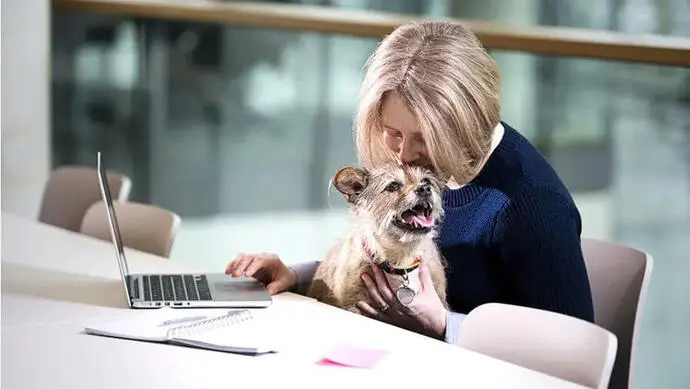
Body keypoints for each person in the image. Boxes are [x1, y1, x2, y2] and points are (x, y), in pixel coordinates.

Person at [225, 20, 595, 344]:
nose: (403, 153)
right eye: (392, 132)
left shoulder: (534, 205)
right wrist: (297, 276)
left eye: (422, 136)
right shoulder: (427, 173)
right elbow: (394, 263)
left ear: (464, 123)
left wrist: (445, 324)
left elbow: (575, 351)